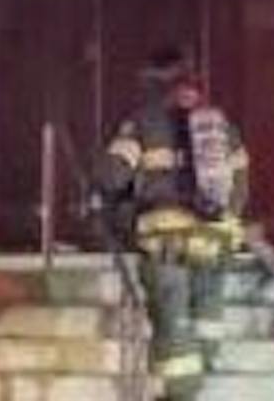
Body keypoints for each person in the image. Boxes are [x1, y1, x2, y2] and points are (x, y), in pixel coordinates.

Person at [97, 47, 250, 401]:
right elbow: (240, 185)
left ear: (154, 83)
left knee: (173, 324)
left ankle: (182, 393)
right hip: (215, 242)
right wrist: (224, 222)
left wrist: (118, 205)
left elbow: (112, 176)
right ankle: (200, 376)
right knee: (208, 321)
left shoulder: (143, 123)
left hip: (168, 244)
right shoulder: (221, 126)